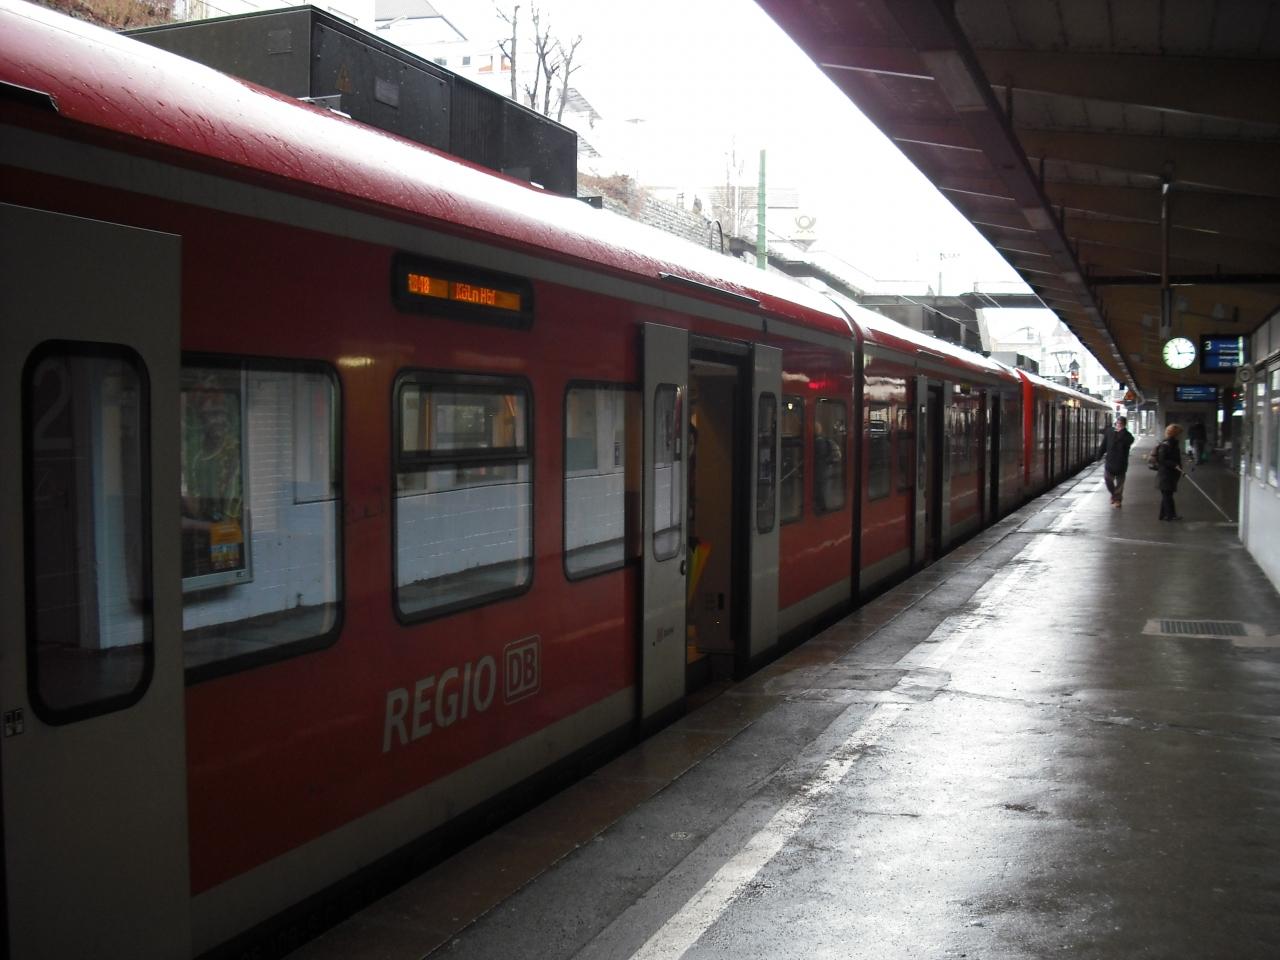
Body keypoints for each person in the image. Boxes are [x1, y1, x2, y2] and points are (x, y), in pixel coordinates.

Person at [1099, 415, 1135, 507]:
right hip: (1110, 461)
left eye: (1120, 424)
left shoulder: (1128, 435)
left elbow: (1129, 441)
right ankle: (1114, 495)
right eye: (1117, 423)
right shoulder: (1110, 432)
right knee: (1107, 479)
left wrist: (1121, 432)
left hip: (1121, 463)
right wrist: (1099, 455)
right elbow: (1104, 444)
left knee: (1120, 484)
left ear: (1124, 425)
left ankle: (1117, 500)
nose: (1118, 425)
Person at [1156, 423, 1184, 521]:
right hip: (1166, 474)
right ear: (1175, 434)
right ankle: (1170, 515)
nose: (1181, 436)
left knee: (1167, 495)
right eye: (1179, 433)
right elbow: (1162, 459)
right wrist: (1174, 465)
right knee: (1167, 495)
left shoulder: (1173, 444)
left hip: (1171, 474)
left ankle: (1163, 515)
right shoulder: (1166, 445)